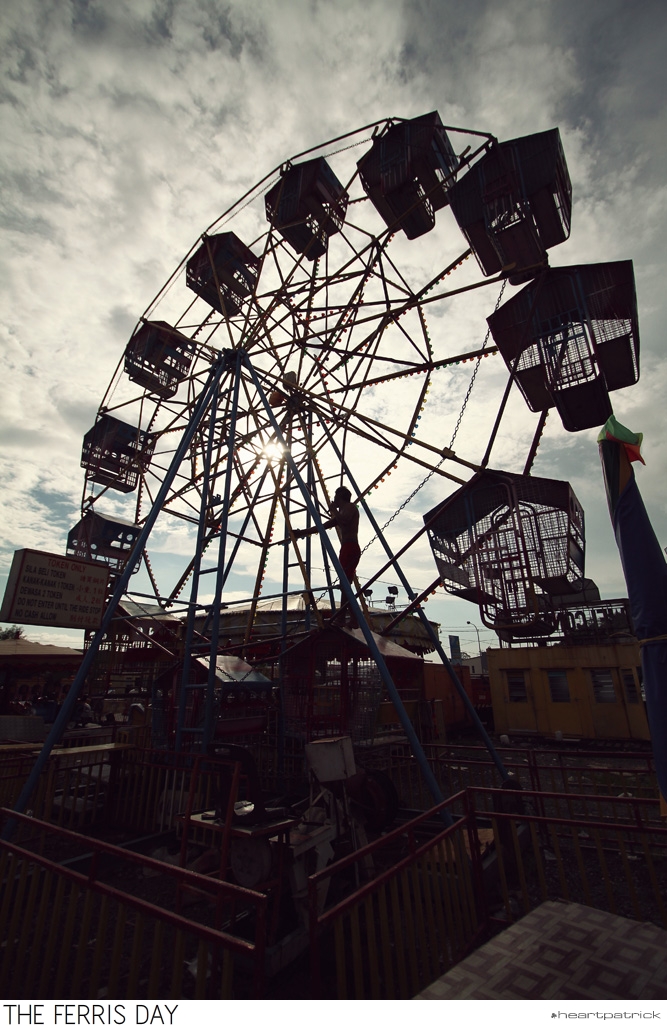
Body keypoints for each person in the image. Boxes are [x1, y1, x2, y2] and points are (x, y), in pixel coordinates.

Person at [294, 487, 361, 616]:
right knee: (345, 584)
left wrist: (333, 510)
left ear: (340, 496)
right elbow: (322, 526)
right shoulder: (341, 512)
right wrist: (302, 532)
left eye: (335, 496)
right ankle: (351, 617)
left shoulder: (350, 507)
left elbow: (345, 521)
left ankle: (349, 617)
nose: (333, 499)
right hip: (347, 547)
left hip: (351, 547)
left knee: (345, 584)